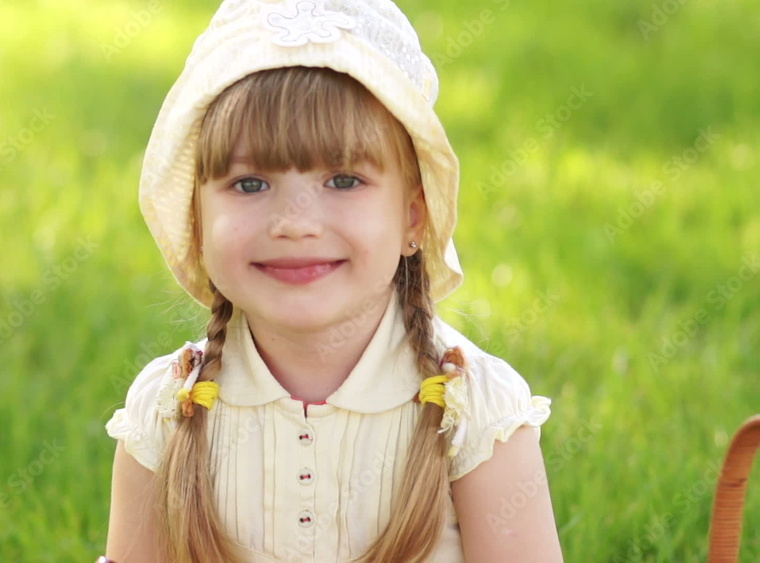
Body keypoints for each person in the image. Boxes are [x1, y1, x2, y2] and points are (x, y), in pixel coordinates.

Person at [104, 0, 562, 560]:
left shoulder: (476, 413)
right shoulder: (168, 409)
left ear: (413, 217)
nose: (295, 223)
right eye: (250, 184)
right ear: (197, 224)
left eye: (343, 180)